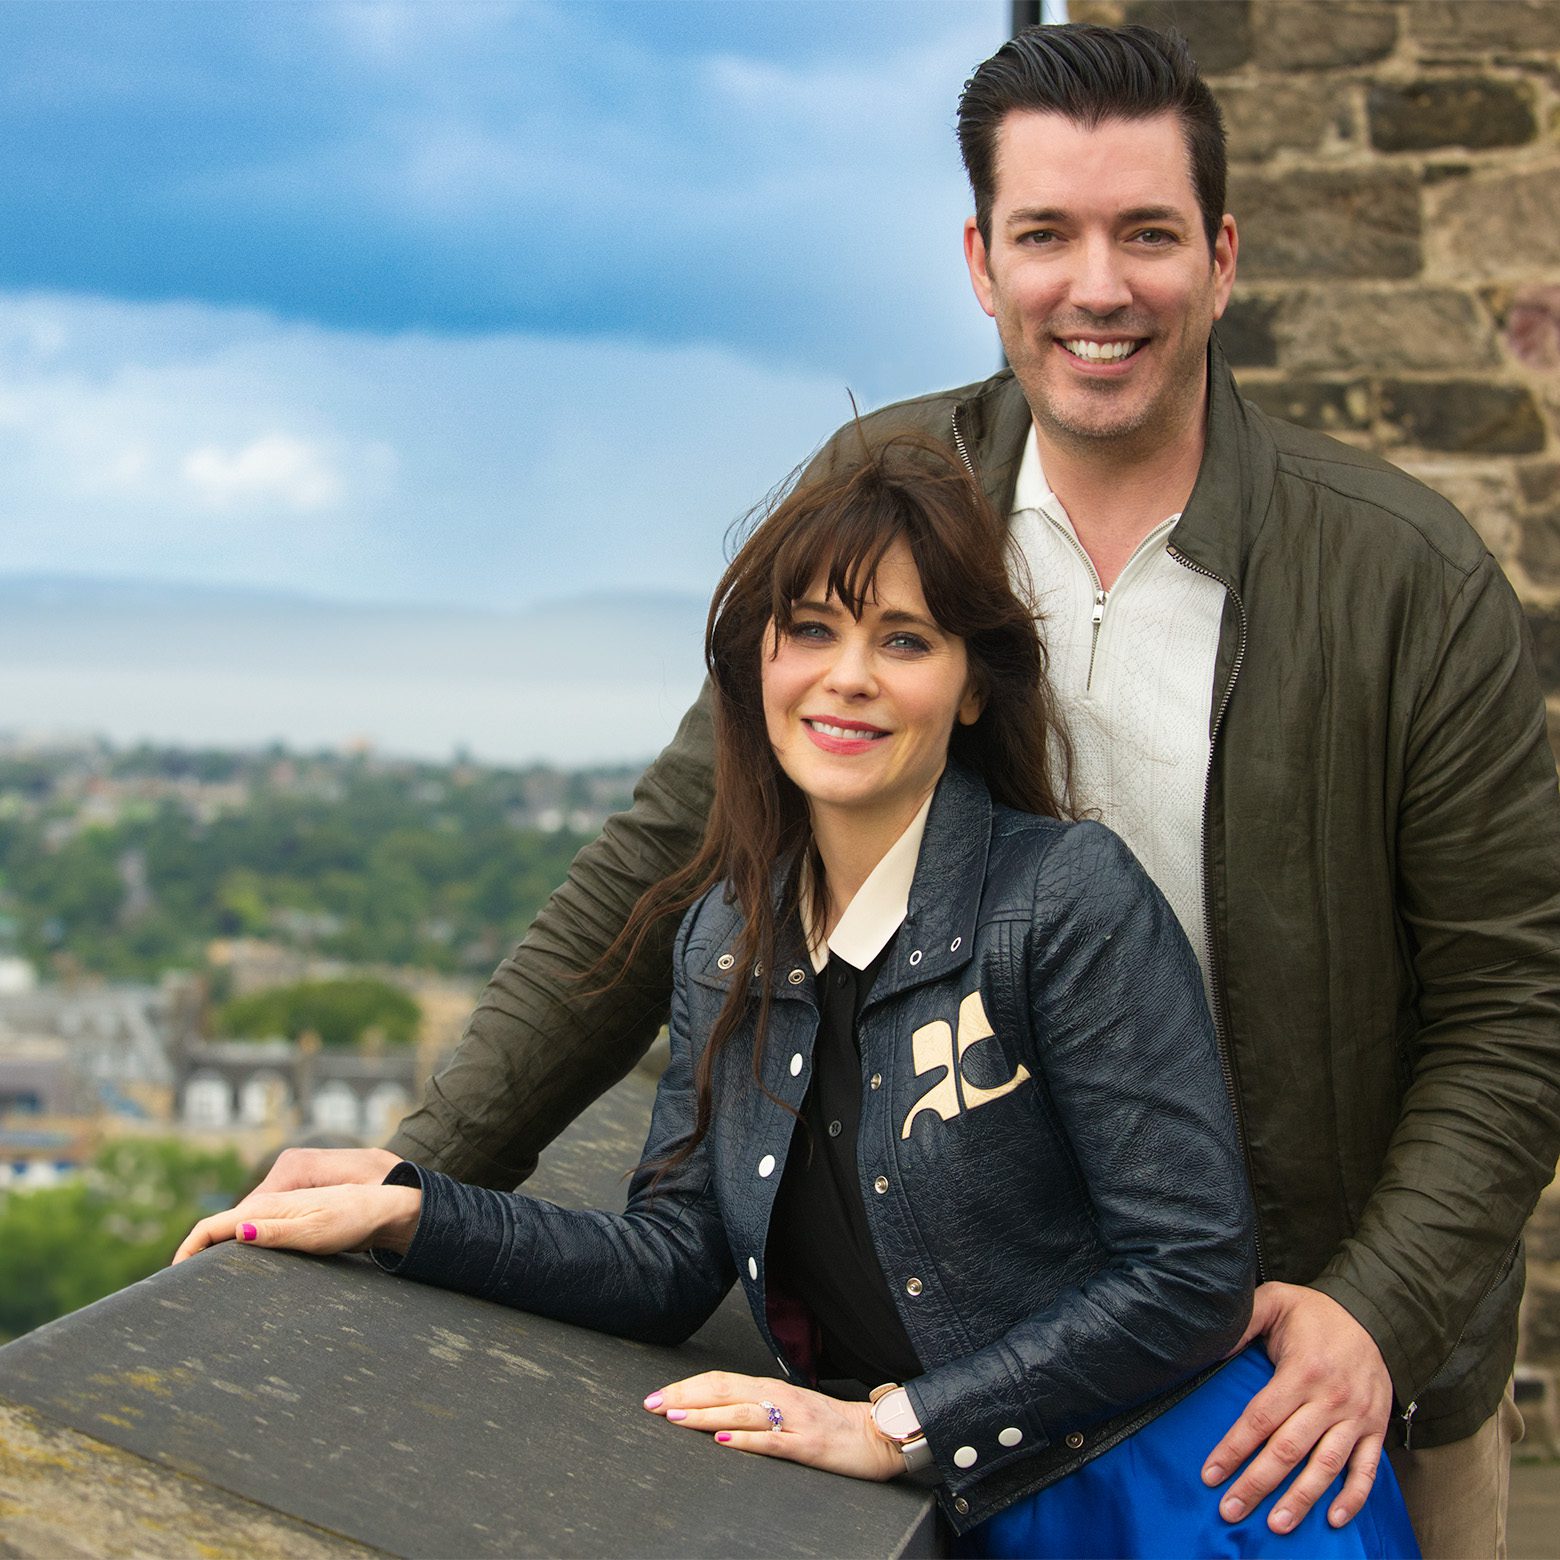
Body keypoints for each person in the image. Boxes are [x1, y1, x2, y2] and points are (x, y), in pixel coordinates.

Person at [253, 23, 1560, 1558]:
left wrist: (1378, 1307)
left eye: (1147, 235)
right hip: (974, 1378)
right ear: (981, 261)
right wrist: (426, 1170)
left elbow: (1516, 1004)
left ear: (1222, 259)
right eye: (1046, 235)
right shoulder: (891, 494)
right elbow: (666, 870)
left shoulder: (1401, 578)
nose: (1098, 287)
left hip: (1314, 1397)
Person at [178, 442, 1418, 1556]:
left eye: (905, 640)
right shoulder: (727, 939)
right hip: (975, 1511)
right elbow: (673, 1261)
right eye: (812, 631)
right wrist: (409, 1210)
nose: (849, 678)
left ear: (972, 685)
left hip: (1193, 1500)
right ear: (758, 663)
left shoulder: (1064, 899)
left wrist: (897, 1428)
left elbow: (1192, 1270)